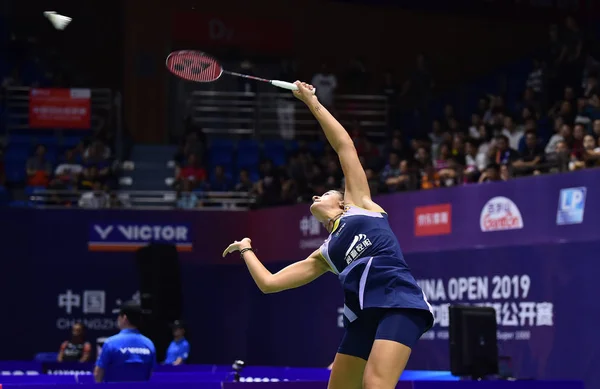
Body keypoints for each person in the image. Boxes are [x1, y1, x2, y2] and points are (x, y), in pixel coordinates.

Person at [223, 81, 434, 389]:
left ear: (342, 200)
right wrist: (246, 249)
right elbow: (269, 284)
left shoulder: (361, 206)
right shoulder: (325, 254)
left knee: (375, 385)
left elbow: (344, 145)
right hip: (363, 316)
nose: (314, 197)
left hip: (400, 302)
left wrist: (311, 102)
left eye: (322, 193)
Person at [94, 301, 156, 383]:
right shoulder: (149, 344)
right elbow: (151, 374)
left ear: (124, 318)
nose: (117, 319)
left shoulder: (110, 343)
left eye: (119, 316)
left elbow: (98, 373)